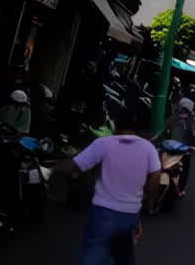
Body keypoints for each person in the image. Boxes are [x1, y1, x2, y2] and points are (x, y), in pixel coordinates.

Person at [64, 110, 161, 265]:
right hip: (130, 213)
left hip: (102, 211)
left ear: (116, 125)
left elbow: (77, 166)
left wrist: (77, 179)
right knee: (124, 255)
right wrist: (149, 204)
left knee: (95, 252)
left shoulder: (104, 143)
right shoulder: (148, 148)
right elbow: (156, 176)